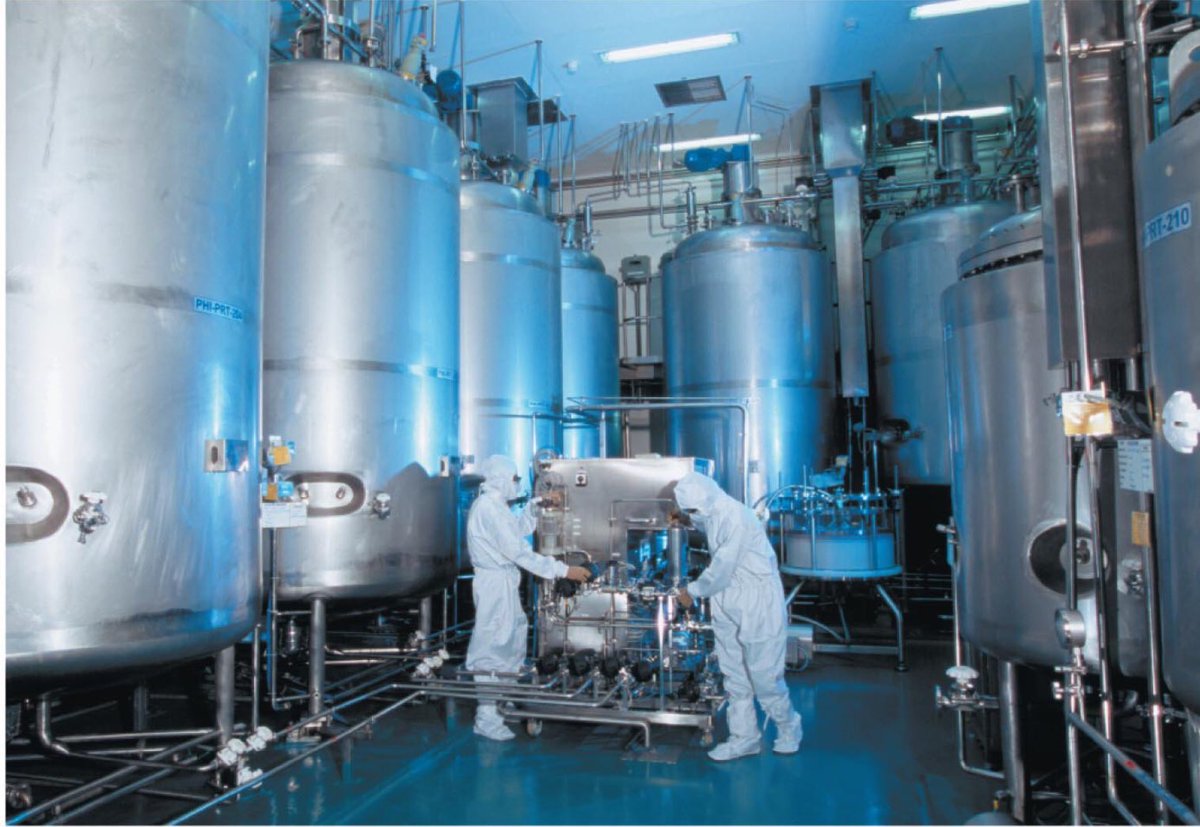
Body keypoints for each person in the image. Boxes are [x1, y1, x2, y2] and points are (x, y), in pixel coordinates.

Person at [674, 471, 803, 761]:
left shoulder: (737, 517)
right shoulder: (712, 509)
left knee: (764, 676)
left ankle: (789, 727)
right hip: (727, 596)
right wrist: (684, 519)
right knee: (734, 674)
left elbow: (722, 567)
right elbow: (703, 522)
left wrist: (692, 591)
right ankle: (744, 738)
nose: (693, 515)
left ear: (705, 500)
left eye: (692, 510)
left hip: (757, 600)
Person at [464, 455, 590, 740]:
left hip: (503, 583)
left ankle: (501, 700)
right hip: (494, 585)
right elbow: (518, 552)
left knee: (509, 640)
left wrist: (535, 507)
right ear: (500, 479)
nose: (516, 483)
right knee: (492, 647)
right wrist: (563, 570)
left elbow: (517, 530)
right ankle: (486, 718)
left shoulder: (496, 506)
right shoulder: (488, 509)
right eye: (514, 478)